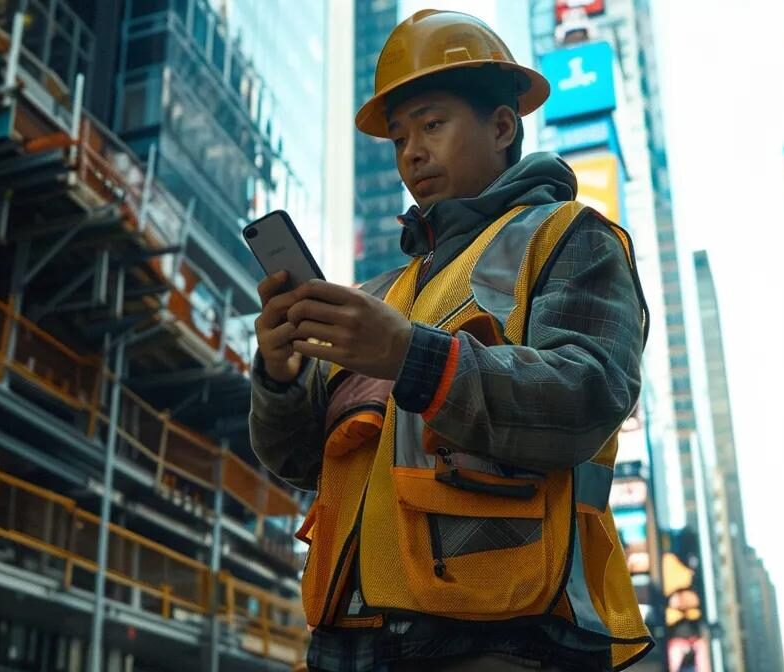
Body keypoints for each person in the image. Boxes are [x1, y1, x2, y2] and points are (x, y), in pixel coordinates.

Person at [250, 9, 652, 672]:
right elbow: (300, 463)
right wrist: (281, 376)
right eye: (399, 136)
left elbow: (588, 396)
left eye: (432, 124)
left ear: (501, 127)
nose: (410, 151)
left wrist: (411, 356)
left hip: (507, 639)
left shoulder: (570, 237)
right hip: (355, 643)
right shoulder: (383, 295)